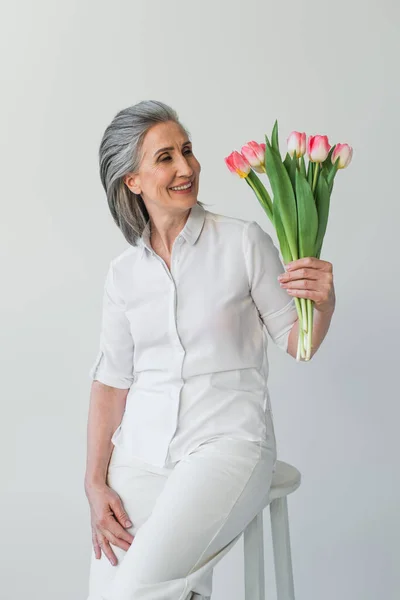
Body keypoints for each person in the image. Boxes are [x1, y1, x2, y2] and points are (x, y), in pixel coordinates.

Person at [84, 100, 336, 600]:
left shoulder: (243, 242)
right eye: (165, 158)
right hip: (140, 454)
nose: (186, 168)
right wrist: (95, 483)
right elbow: (111, 382)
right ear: (131, 181)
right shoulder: (123, 274)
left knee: (136, 591)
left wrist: (323, 303)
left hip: (227, 443)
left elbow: (298, 343)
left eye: (187, 151)